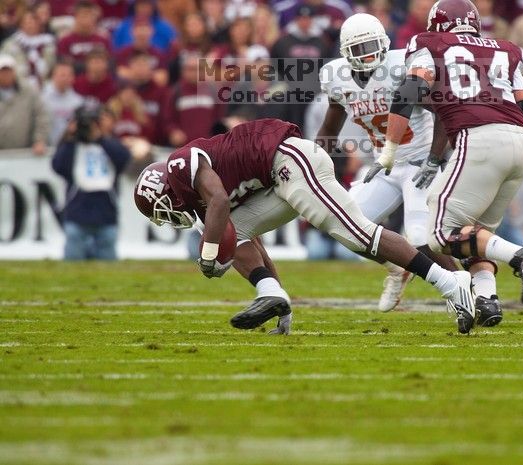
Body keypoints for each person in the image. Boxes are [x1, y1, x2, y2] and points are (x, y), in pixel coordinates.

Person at [133, 118, 477, 334]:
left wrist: (208, 256)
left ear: (164, 190)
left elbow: (220, 202)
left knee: (359, 237)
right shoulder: (198, 195)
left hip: (289, 160)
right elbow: (245, 236)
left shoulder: (180, 164)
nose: (168, 216)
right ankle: (270, 294)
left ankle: (451, 282)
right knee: (235, 231)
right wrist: (280, 299)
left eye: (162, 208)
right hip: (276, 180)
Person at [368, 0, 523, 326]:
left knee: (440, 234)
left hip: (479, 140)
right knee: (475, 235)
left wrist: (388, 150)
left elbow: (408, 90)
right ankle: (487, 301)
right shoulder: (506, 49)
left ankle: (521, 255)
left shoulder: (427, 43)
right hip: (520, 146)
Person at [316, 13, 457, 313]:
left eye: (371, 45)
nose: (366, 55)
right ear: (345, 53)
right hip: (385, 166)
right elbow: (329, 129)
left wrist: (434, 159)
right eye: (358, 49)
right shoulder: (336, 78)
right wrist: (312, 167)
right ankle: (397, 267)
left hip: (419, 163)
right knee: (346, 226)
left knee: (420, 238)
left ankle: (459, 287)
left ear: (384, 43)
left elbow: (443, 113)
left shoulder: (401, 67)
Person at [52, 104, 131, 260]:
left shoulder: (109, 143)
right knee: (73, 262)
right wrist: (70, 136)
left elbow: (124, 159)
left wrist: (100, 137)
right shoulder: (72, 146)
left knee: (107, 263)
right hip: (77, 211)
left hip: (106, 211)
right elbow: (58, 165)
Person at [0, 54, 48, 155]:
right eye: (2, 71)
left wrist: (39, 140)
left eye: (8, 71)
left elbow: (41, 116)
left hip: (25, 153)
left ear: (14, 72)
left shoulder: (29, 91)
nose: (5, 74)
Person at [56, 0, 111, 70]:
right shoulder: (65, 41)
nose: (86, 19)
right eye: (83, 15)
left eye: (90, 15)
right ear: (76, 16)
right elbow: (64, 66)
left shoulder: (103, 39)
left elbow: (110, 63)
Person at [42, 61, 84, 146]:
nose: (65, 78)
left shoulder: (78, 101)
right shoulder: (42, 99)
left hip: (69, 147)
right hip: (47, 148)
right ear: (53, 76)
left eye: (69, 75)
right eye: (62, 75)